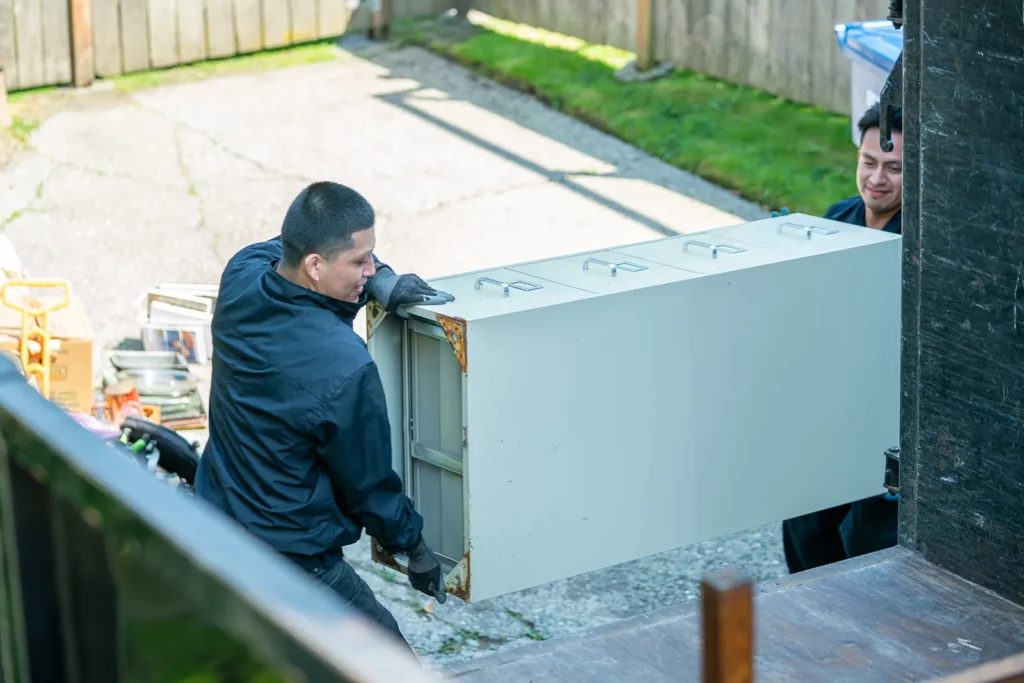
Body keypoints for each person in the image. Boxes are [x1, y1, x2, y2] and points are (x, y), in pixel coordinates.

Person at [194, 180, 453, 649]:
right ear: (315, 265)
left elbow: (283, 244)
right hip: (288, 555)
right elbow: (369, 486)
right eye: (359, 262)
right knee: (385, 661)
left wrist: (378, 281)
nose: (369, 270)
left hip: (214, 519)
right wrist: (414, 548)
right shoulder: (343, 366)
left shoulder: (242, 277)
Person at [780, 102, 903, 574]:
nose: (877, 178)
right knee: (804, 523)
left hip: (884, 413)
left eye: (894, 168)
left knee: (868, 537)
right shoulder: (837, 217)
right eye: (868, 162)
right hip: (830, 408)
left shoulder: (921, 239)